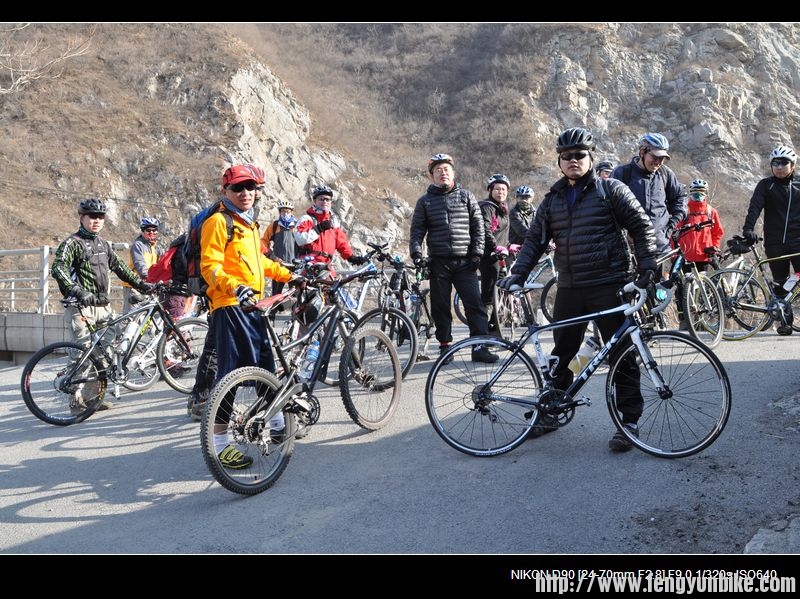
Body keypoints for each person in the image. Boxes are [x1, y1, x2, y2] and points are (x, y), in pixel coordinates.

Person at [498, 127, 657, 452]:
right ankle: (553, 410)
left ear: (590, 158)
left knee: (622, 355)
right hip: (570, 287)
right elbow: (534, 242)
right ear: (559, 161)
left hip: (609, 284)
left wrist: (648, 266)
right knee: (562, 355)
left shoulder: (610, 190)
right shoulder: (552, 200)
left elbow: (642, 227)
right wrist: (518, 273)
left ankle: (629, 421)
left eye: (580, 155)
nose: (574, 160)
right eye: (567, 156)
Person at [201, 164, 296, 469]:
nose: (245, 193)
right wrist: (236, 287)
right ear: (225, 191)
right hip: (229, 306)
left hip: (253, 306)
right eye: (238, 188)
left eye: (251, 188)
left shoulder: (249, 225)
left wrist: (290, 275)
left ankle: (280, 425)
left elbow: (262, 264)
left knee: (266, 368)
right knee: (229, 377)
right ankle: (219, 446)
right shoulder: (218, 222)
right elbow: (210, 267)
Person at [51, 198, 155, 412]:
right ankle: (75, 400)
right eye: (92, 217)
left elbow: (120, 269)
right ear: (82, 218)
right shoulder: (73, 243)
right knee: (81, 352)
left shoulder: (104, 244)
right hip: (81, 307)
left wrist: (144, 286)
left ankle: (92, 399)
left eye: (100, 217)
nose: (96, 221)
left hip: (104, 306)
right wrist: (77, 290)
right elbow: (58, 269)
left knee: (104, 352)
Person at [409, 153, 497, 363]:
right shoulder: (425, 202)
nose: (443, 173)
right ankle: (445, 347)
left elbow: (478, 228)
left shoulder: (467, 197)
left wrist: (476, 254)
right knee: (440, 306)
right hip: (439, 262)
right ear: (432, 176)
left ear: (453, 173)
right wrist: (417, 254)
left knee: (475, 304)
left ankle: (479, 346)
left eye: (446, 169)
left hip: (465, 261)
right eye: (438, 170)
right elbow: (417, 231)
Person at [742, 145, 800, 335]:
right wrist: (748, 229)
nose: (780, 167)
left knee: (796, 279)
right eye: (776, 163)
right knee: (781, 285)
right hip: (775, 244)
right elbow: (755, 208)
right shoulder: (766, 185)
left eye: (784, 163)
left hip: (797, 241)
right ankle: (785, 323)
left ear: (793, 165)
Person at [613, 132, 687, 256]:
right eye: (655, 157)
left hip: (660, 247)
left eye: (662, 158)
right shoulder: (622, 173)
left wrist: (670, 226)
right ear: (642, 152)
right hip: (629, 250)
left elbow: (680, 197)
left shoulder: (665, 174)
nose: (658, 162)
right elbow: (610, 208)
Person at [293, 185, 367, 267]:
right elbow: (299, 238)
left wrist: (350, 257)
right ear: (314, 201)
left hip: (327, 266)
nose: (324, 201)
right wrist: (318, 229)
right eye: (321, 199)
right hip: (308, 265)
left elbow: (342, 243)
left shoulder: (333, 223)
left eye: (327, 199)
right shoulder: (307, 219)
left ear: (330, 202)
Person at [479, 174, 511, 332]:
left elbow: (502, 233)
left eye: (503, 189)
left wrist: (510, 245)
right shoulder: (487, 207)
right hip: (488, 255)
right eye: (497, 189)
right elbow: (485, 230)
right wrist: (495, 247)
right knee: (489, 293)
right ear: (490, 190)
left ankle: (494, 327)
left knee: (502, 290)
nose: (500, 192)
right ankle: (483, 329)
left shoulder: (503, 208)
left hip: (501, 255)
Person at [675, 179, 724, 271]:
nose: (698, 194)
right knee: (684, 284)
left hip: (703, 257)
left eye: (702, 191)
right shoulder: (684, 211)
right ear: (690, 192)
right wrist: (674, 254)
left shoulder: (711, 212)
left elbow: (717, 233)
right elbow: (674, 233)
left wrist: (714, 248)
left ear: (706, 193)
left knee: (701, 284)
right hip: (685, 257)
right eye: (695, 191)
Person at [261, 198, 300, 296]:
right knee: (276, 294)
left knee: (296, 294)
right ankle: (272, 311)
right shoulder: (274, 226)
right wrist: (271, 256)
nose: (285, 214)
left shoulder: (297, 226)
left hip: (294, 266)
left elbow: (304, 243)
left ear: (291, 212)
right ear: (279, 212)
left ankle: (294, 311)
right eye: (283, 211)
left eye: (288, 211)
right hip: (279, 265)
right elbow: (264, 242)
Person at [122, 217, 161, 313]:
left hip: (147, 286)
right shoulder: (138, 245)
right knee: (131, 316)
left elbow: (162, 265)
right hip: (134, 285)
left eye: (154, 230)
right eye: (148, 230)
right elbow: (140, 264)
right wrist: (148, 278)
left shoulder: (156, 248)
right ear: (143, 231)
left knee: (146, 317)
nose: (152, 233)